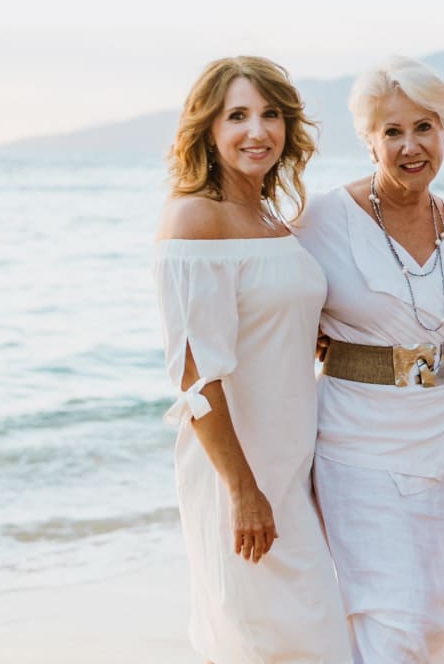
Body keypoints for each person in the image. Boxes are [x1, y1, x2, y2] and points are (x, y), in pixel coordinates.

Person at [154, 56, 351, 663]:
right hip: (238, 480)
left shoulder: (270, 218)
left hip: (291, 469)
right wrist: (244, 492)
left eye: (270, 114)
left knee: (312, 639)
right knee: (265, 644)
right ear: (208, 129)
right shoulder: (195, 219)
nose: (256, 130)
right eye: (237, 115)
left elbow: (273, 323)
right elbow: (196, 383)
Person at [292, 56, 444, 663]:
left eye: (424, 128)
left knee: (435, 612)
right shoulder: (322, 218)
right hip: (357, 441)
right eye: (392, 131)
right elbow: (268, 294)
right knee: (389, 614)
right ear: (368, 139)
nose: (409, 146)